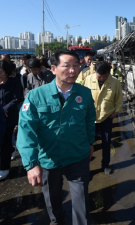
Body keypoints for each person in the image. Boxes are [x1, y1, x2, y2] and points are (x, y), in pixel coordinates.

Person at [17, 50, 96, 224]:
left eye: (76, 66)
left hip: (78, 156)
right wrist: (31, 164)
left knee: (81, 202)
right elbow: (26, 130)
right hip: (49, 159)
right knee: (52, 200)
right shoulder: (36, 96)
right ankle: (56, 221)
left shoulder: (85, 93)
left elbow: (90, 121)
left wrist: (90, 143)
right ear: (53, 68)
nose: (73, 70)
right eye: (67, 66)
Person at [82, 61, 123, 175]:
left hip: (106, 117)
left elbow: (119, 99)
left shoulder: (114, 82)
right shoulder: (88, 80)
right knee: (87, 144)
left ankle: (105, 165)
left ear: (108, 73)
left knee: (106, 142)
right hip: (89, 119)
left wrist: (116, 112)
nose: (101, 79)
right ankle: (86, 168)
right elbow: (80, 97)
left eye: (104, 76)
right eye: (99, 76)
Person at [0, 60, 22, 180]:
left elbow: (16, 98)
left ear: (7, 72)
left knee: (6, 142)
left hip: (8, 117)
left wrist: (3, 109)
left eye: (1, 72)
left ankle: (4, 167)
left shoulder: (14, 82)